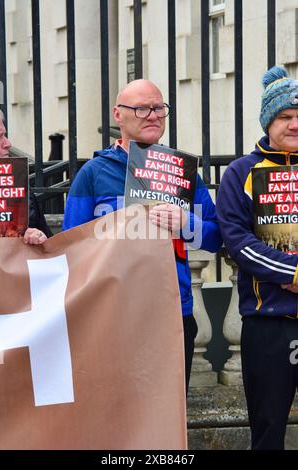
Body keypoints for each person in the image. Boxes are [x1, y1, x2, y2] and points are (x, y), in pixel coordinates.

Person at [63, 79, 222, 393]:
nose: (153, 115)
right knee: (119, 418)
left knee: (169, 417)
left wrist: (185, 222)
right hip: (113, 317)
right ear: (118, 115)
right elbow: (70, 249)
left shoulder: (183, 172)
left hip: (174, 313)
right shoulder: (93, 174)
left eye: (159, 107)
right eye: (142, 108)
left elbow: (216, 237)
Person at [216, 66, 298, 450]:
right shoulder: (240, 172)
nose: (294, 124)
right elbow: (237, 241)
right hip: (268, 324)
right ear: (268, 121)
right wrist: (294, 272)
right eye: (285, 117)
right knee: (268, 433)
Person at [0, 110, 51, 244]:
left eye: (4, 135)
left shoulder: (16, 183)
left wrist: (37, 235)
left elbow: (48, 239)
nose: (7, 143)